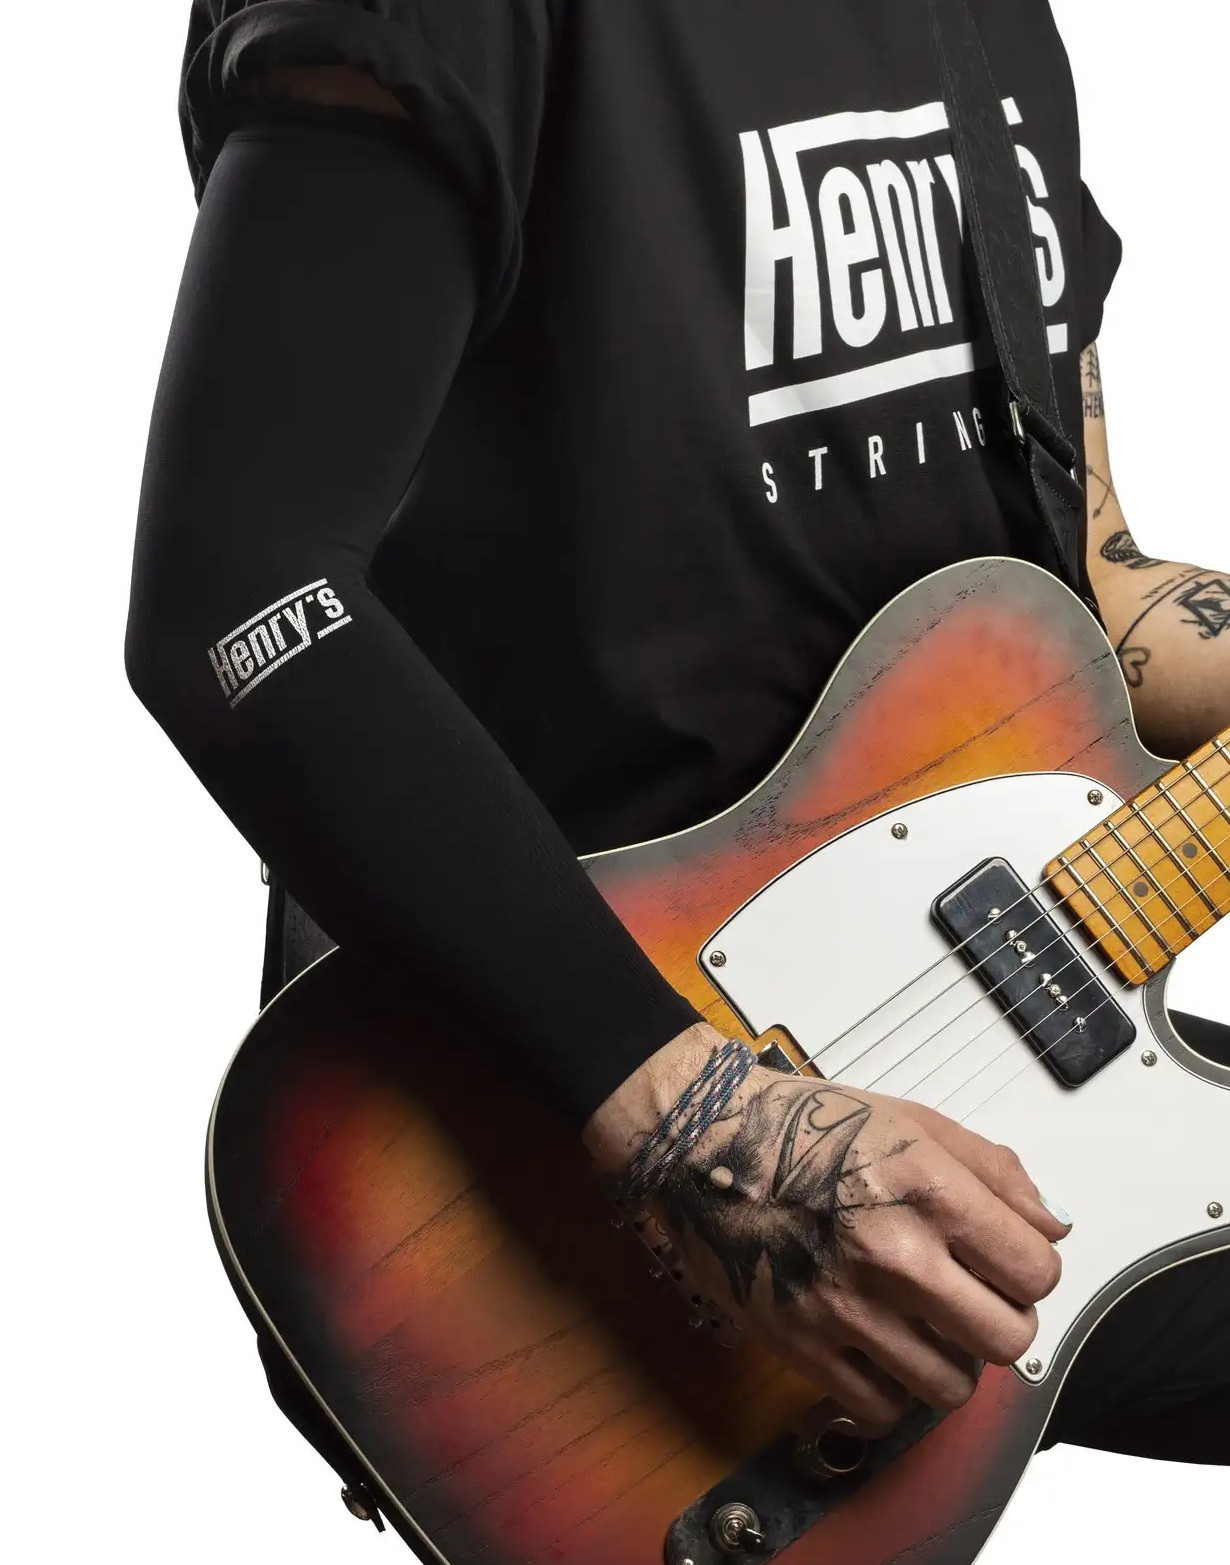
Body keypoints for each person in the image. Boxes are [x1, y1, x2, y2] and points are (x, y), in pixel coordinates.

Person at [126, 0, 1229, 1485]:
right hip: (556, 1163)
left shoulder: (989, 28)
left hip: (985, 1033)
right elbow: (239, 601)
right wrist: (698, 1127)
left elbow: (1093, 584)